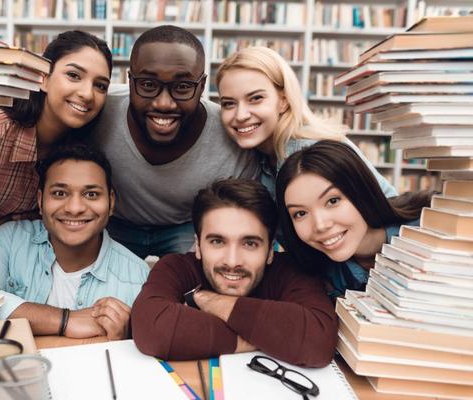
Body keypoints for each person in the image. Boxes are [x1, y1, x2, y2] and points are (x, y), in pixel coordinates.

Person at [0, 31, 113, 255]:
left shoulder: (79, 155)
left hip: (6, 268)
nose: (87, 94)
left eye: (100, 85)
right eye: (73, 75)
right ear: (43, 77)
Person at [90, 25, 259, 259]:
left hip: (186, 226)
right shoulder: (97, 112)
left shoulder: (232, 135)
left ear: (201, 87)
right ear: (130, 81)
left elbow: (242, 217)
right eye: (148, 84)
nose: (164, 104)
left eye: (182, 87)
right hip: (115, 221)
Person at [130, 179, 338, 366]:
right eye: (217, 242)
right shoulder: (176, 267)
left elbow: (318, 342)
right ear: (198, 246)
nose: (232, 261)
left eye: (249, 243)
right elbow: (152, 329)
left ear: (269, 251)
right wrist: (267, 337)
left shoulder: (291, 270)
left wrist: (211, 301)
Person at [0, 143, 150, 340]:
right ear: (40, 201)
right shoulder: (7, 240)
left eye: (91, 194)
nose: (74, 208)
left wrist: (123, 341)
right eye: (59, 193)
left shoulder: (139, 277)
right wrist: (65, 320)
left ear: (111, 202)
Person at [216, 46, 396, 199]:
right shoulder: (261, 155)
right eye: (229, 103)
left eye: (255, 98)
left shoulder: (305, 152)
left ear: (283, 101)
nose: (240, 115)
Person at [275, 140, 432, 299]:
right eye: (300, 213)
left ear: (362, 191)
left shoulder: (430, 228)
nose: (320, 225)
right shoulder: (318, 276)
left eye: (333, 201)